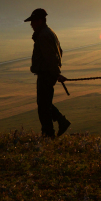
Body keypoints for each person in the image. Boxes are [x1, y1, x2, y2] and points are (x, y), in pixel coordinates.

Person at [25, 8, 71, 138]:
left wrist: (56, 73)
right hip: (48, 73)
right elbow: (58, 52)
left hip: (46, 74)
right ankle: (60, 123)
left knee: (43, 107)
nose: (31, 24)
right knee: (45, 103)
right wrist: (56, 72)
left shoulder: (44, 35)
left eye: (33, 21)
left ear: (40, 21)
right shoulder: (49, 32)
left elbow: (50, 57)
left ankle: (49, 133)